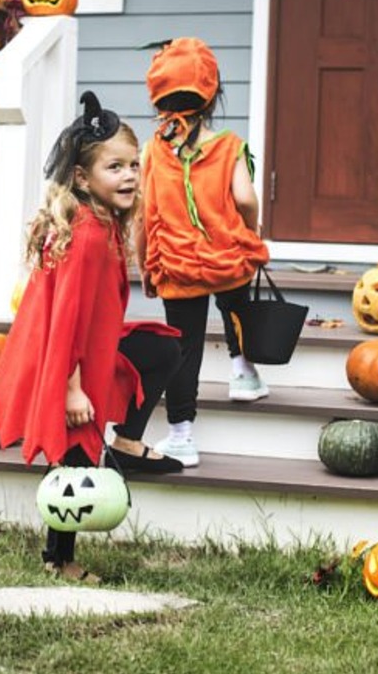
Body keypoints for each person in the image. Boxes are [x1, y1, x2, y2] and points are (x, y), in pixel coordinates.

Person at [0, 91, 184, 584]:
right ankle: (59, 558)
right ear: (82, 178)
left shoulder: (100, 222)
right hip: (66, 358)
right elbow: (69, 316)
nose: (130, 176)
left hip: (91, 347)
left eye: (134, 166)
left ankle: (127, 443)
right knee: (73, 456)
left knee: (162, 348)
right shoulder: (89, 235)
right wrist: (72, 387)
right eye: (114, 167)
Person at [139, 37, 271, 470]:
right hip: (227, 259)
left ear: (158, 97)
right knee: (237, 311)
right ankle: (243, 373)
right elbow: (246, 198)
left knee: (185, 348)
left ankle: (182, 436)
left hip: (177, 267)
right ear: (212, 96)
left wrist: (146, 266)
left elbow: (144, 214)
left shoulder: (152, 152)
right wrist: (249, 232)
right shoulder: (230, 146)